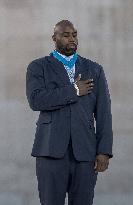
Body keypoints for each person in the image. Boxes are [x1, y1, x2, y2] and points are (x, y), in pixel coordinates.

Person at [26, 19, 113, 205]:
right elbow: (36, 100)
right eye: (65, 35)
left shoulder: (94, 69)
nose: (71, 39)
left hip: (85, 153)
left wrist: (104, 150)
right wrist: (74, 90)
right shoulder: (38, 67)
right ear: (54, 38)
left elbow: (104, 113)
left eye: (74, 35)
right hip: (50, 150)